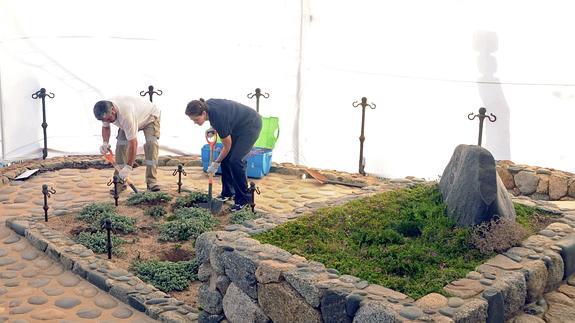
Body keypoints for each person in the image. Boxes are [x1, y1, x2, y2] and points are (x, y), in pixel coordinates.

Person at [185, 98, 262, 212]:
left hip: (251, 125)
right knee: (227, 159)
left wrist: (216, 163)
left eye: (196, 119)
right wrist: (214, 128)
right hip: (237, 126)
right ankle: (228, 192)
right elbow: (226, 117)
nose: (195, 123)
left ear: (204, 113)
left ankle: (244, 200)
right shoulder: (207, 106)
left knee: (236, 160)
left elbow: (227, 146)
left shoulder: (217, 118)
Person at [93, 96, 161, 192]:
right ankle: (120, 183)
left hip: (149, 117)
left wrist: (128, 167)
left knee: (151, 145)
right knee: (120, 147)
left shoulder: (126, 116)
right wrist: (105, 143)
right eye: (105, 120)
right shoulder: (104, 110)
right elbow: (106, 127)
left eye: (109, 119)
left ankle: (151, 182)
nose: (108, 122)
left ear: (113, 110)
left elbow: (133, 143)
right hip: (134, 116)